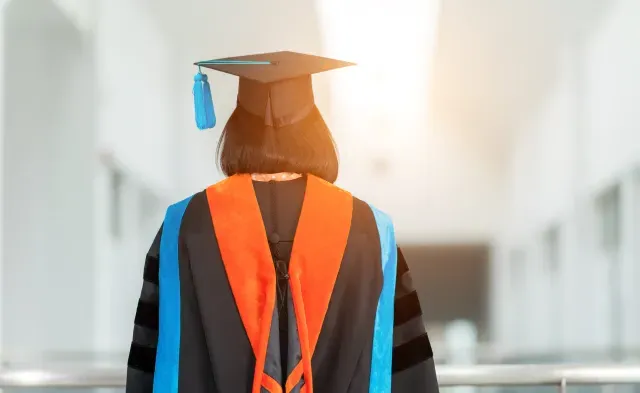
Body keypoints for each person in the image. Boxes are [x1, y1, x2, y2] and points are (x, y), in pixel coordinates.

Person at [125, 51, 439, 393]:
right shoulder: (370, 231)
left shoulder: (185, 226)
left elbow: (152, 360)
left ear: (236, 129)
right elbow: (409, 371)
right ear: (315, 129)